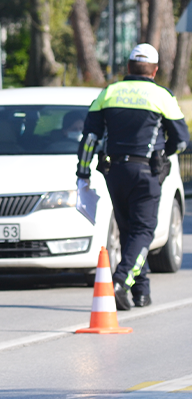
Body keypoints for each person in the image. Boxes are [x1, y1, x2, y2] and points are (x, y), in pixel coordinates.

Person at [75, 43, 189, 310]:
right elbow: (182, 141)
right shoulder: (161, 95)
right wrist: (163, 154)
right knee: (144, 230)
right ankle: (121, 281)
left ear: (128, 67)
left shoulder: (109, 92)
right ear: (155, 70)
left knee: (128, 229)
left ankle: (141, 292)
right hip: (146, 171)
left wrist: (83, 172)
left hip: (114, 172)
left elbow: (90, 137)